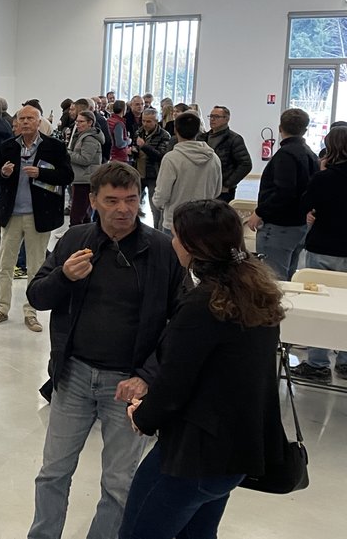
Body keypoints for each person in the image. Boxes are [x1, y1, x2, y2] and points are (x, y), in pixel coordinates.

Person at [25, 162, 188, 539]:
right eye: (112, 200)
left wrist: (147, 376)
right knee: (53, 472)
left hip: (128, 385)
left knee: (119, 482)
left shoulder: (161, 250)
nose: (123, 209)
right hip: (74, 375)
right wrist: (64, 276)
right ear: (94, 201)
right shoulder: (75, 239)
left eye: (131, 200)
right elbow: (37, 295)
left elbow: (182, 325)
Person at [120, 199, 285, 539]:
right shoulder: (257, 294)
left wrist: (143, 416)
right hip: (236, 453)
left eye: (177, 235)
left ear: (195, 246)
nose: (172, 241)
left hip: (195, 456)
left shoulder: (203, 305)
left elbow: (173, 383)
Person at [0, 106, 73, 333]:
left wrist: (41, 173)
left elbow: (67, 176)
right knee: (5, 265)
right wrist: (3, 174)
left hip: (39, 215)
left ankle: (31, 311)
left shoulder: (54, 147)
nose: (25, 122)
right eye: (22, 119)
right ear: (16, 122)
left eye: (30, 119)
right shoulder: (8, 146)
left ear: (38, 122)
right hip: (12, 214)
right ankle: (1, 308)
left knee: (36, 267)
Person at [293, 125, 347, 381]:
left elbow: (306, 204)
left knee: (319, 305)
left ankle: (317, 363)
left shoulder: (324, 178)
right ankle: (345, 361)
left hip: (324, 244)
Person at [246, 108, 319, 280]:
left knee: (272, 279)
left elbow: (284, 191)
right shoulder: (310, 154)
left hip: (279, 227)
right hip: (299, 224)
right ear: (305, 130)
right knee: (287, 277)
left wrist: (259, 212)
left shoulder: (285, 155)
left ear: (280, 128)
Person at [152, 112, 221, 235]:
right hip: (203, 221)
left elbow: (162, 193)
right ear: (198, 130)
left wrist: (157, 203)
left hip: (175, 223)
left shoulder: (171, 158)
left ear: (175, 129)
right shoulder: (213, 157)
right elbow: (216, 190)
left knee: (173, 254)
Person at [197, 106, 253, 201]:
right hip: (203, 187)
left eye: (217, 117)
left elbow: (246, 164)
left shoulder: (234, 139)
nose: (212, 119)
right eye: (211, 116)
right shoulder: (202, 138)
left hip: (223, 192)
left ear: (226, 119)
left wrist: (227, 184)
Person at [131, 108, 171, 229]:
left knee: (155, 207)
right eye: (143, 121)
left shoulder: (164, 135)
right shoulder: (139, 132)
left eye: (149, 121)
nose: (145, 124)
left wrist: (144, 146)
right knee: (133, 203)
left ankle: (156, 230)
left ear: (156, 121)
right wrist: (133, 151)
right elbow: (136, 149)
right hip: (139, 173)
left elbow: (161, 156)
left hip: (154, 174)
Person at [67, 110, 105, 227]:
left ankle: (76, 239)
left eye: (81, 121)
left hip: (85, 180)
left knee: (77, 215)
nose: (77, 124)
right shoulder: (82, 136)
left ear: (90, 123)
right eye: (77, 121)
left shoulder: (90, 139)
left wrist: (68, 154)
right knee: (85, 214)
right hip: (81, 178)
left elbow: (85, 160)